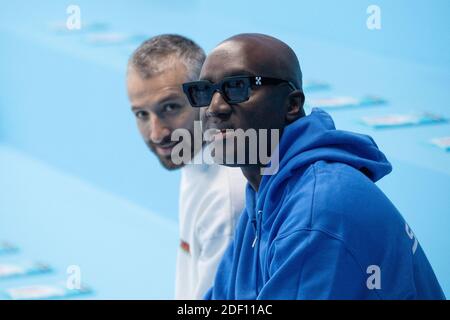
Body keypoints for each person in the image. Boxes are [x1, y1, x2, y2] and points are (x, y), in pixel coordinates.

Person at [182, 33, 445, 299]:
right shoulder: (264, 191)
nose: (214, 108)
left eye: (238, 86)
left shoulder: (317, 209)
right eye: (204, 92)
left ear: (292, 104)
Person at [126, 34, 246, 299]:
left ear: (204, 98)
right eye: (142, 114)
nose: (156, 133)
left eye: (170, 107)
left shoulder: (225, 198)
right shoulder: (197, 160)